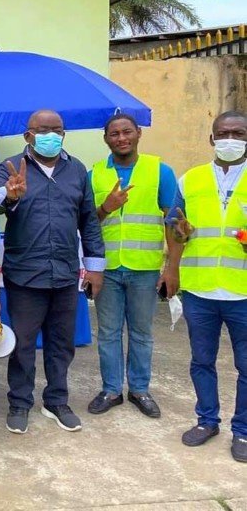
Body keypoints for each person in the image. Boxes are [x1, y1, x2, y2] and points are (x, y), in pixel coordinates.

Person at [0, 109, 105, 434]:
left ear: (64, 134)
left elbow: (89, 221)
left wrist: (94, 267)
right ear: (28, 135)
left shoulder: (77, 169)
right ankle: (20, 403)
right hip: (25, 273)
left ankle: (56, 401)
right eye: (43, 130)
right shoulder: (11, 167)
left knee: (62, 342)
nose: (50, 135)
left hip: (67, 273)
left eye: (57, 129)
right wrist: (8, 195)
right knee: (23, 343)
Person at [164, 110, 247, 463]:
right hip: (199, 290)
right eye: (222, 133)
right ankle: (207, 420)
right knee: (201, 361)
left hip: (242, 291)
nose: (229, 139)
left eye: (238, 132)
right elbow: (175, 223)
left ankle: (242, 431)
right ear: (212, 139)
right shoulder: (191, 179)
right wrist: (175, 255)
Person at [87, 114, 177, 419]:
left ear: (138, 133)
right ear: (106, 139)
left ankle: (139, 389)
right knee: (109, 333)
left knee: (141, 333)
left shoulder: (159, 171)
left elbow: (173, 220)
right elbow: (86, 224)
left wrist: (171, 267)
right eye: (114, 134)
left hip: (145, 268)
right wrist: (106, 207)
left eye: (127, 132)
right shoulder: (95, 174)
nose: (121, 138)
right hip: (107, 269)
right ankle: (111, 389)